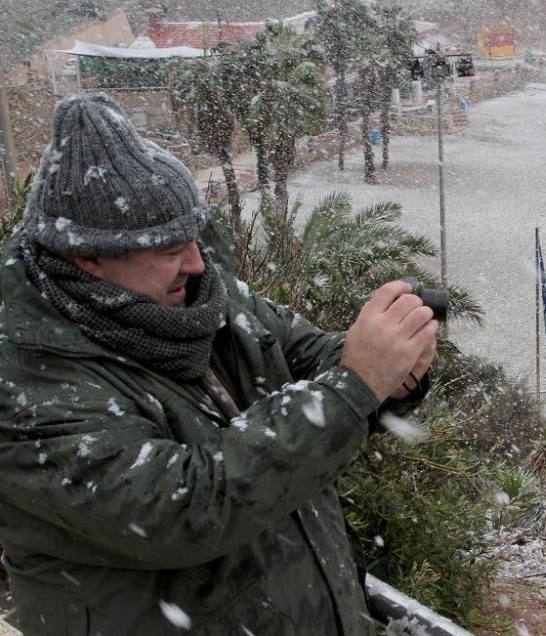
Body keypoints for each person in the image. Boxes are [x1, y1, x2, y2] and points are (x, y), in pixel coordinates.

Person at [0, 93, 438, 635]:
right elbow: (183, 509)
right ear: (86, 257)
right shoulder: (27, 381)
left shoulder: (199, 295)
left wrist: (395, 368)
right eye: (167, 249)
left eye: (193, 237)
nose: (195, 262)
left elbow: (313, 361)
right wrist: (358, 383)